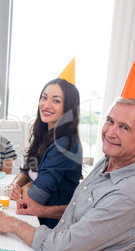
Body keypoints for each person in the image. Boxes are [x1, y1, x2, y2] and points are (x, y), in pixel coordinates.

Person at [0, 60, 135, 251]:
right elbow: (80, 209)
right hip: (52, 247)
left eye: (124, 127)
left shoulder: (127, 193)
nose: (110, 133)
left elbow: (62, 248)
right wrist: (42, 210)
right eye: (110, 121)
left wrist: (12, 223)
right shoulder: (112, 160)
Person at [10, 77, 82, 228]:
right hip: (32, 219)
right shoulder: (45, 134)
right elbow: (26, 170)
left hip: (49, 228)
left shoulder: (64, 146)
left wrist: (28, 188)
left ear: (69, 108)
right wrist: (15, 185)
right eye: (44, 97)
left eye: (56, 101)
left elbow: (33, 201)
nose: (46, 105)